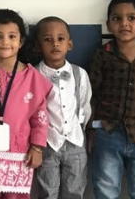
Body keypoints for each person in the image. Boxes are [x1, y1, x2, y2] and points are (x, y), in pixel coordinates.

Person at [0, 9, 52, 199]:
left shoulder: (33, 77)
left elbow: (40, 117)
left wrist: (37, 148)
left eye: (12, 36)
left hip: (20, 155)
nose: (5, 42)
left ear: (21, 41)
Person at [87, 0, 135, 199]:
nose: (124, 23)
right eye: (117, 18)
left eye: (132, 18)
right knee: (105, 187)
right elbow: (91, 95)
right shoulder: (102, 55)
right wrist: (90, 130)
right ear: (108, 25)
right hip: (107, 132)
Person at [31, 17, 91, 199]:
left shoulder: (80, 74)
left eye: (61, 39)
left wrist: (81, 129)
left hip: (75, 142)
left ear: (69, 44)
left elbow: (85, 104)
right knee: (47, 191)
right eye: (48, 39)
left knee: (75, 191)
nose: (55, 44)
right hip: (47, 143)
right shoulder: (33, 75)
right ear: (38, 46)